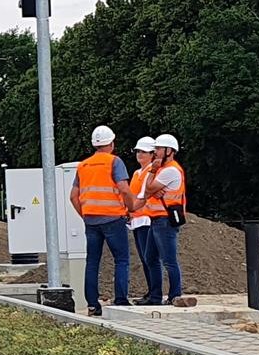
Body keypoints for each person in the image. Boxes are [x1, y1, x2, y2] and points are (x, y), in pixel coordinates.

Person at [69, 125, 139, 317]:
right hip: (113, 218)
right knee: (121, 260)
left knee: (92, 261)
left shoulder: (83, 165)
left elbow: (73, 196)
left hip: (91, 220)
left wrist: (85, 214)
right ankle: (121, 301)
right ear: (111, 143)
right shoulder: (114, 162)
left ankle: (92, 304)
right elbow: (124, 189)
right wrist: (131, 207)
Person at [141, 133, 192, 305]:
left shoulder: (169, 170)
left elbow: (147, 189)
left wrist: (153, 173)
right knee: (151, 258)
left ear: (169, 151)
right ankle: (156, 297)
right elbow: (148, 189)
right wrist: (152, 188)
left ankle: (174, 295)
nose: (155, 152)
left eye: (159, 149)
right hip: (156, 219)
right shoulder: (164, 170)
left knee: (168, 260)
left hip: (164, 220)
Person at [128, 137, 166, 305]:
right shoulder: (137, 173)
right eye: (138, 151)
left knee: (150, 259)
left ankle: (155, 294)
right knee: (145, 259)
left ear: (152, 154)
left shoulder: (153, 171)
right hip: (137, 219)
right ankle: (151, 291)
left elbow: (146, 194)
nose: (139, 154)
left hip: (147, 219)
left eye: (143, 151)